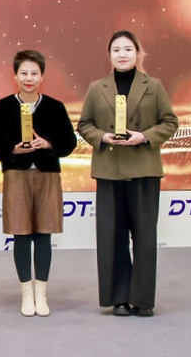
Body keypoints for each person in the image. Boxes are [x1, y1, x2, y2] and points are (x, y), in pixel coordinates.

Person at [75, 30, 179, 317]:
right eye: (116, 50)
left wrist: (144, 136)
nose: (122, 54)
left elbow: (170, 122)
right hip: (109, 171)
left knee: (144, 237)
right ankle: (118, 298)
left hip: (144, 170)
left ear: (138, 53)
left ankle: (142, 299)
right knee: (112, 237)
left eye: (128, 49)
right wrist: (102, 137)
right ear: (109, 56)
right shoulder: (97, 87)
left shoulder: (153, 86)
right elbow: (84, 125)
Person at [0, 49, 78, 317]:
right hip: (17, 175)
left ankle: (41, 294)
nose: (29, 78)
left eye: (34, 73)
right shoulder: (3, 107)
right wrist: (12, 150)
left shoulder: (55, 107)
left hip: (47, 175)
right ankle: (26, 294)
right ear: (15, 77)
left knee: (44, 235)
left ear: (42, 77)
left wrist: (48, 144)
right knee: (22, 235)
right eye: (23, 73)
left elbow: (69, 143)